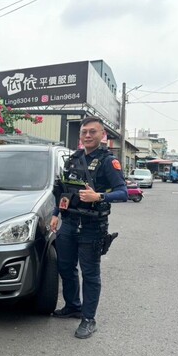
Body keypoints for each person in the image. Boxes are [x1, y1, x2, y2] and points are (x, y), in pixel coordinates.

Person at [50, 116, 127, 339]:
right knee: (65, 268)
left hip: (92, 226)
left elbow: (123, 192)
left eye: (92, 132)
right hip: (69, 222)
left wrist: (99, 195)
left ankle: (88, 318)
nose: (87, 136)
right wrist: (56, 214)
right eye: (84, 132)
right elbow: (63, 190)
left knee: (90, 274)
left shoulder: (108, 161)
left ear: (102, 135)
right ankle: (73, 306)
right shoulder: (73, 158)